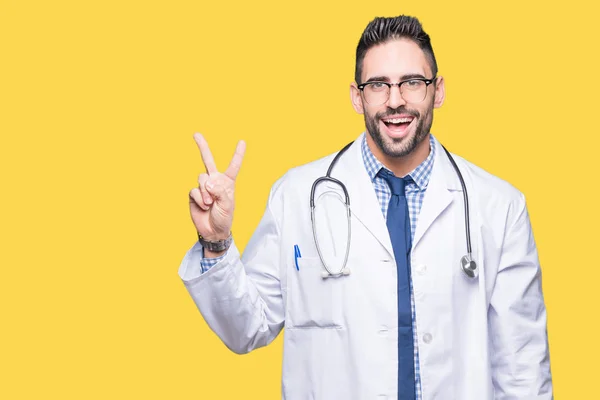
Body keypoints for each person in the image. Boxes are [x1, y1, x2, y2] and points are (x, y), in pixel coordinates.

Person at [178, 15, 553, 400]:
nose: (395, 101)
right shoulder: (296, 195)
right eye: (378, 85)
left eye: (412, 82)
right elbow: (246, 329)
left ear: (437, 90)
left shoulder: (499, 207)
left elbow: (523, 371)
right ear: (357, 96)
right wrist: (216, 243)